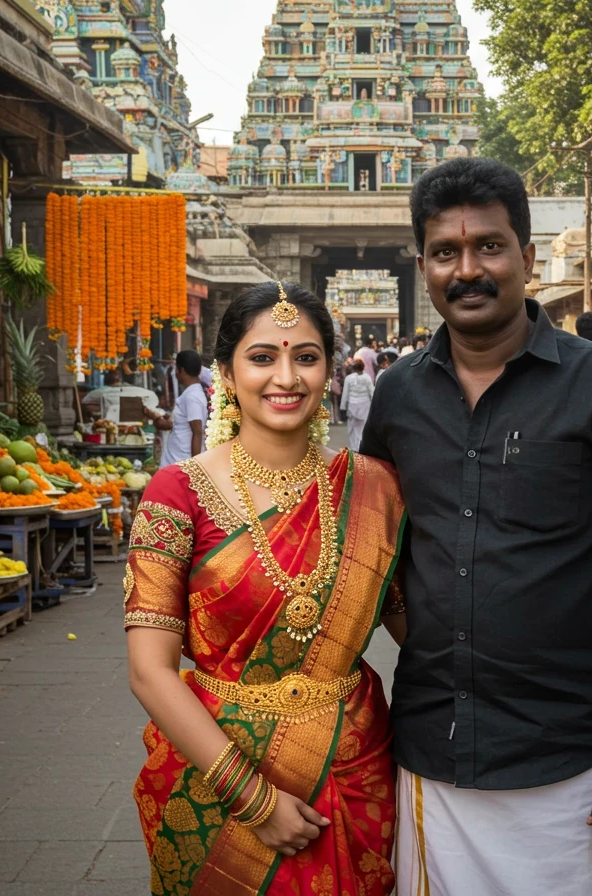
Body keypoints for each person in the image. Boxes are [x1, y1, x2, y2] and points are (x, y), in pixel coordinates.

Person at [361, 157, 592, 895]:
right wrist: (432, 631)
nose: (467, 269)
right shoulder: (398, 396)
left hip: (570, 766)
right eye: (445, 252)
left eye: (489, 246)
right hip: (431, 757)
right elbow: (373, 544)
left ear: (528, 258)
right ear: (423, 266)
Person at [124, 281, 406, 896]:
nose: (287, 376)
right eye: (262, 357)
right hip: (218, 778)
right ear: (225, 372)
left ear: (331, 369)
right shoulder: (176, 493)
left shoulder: (375, 489)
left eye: (306, 356)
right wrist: (253, 800)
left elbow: (425, 632)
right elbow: (150, 672)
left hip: (351, 767)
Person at [148, 350, 208, 468]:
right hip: (176, 463)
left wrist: (195, 470)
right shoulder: (191, 393)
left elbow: (197, 431)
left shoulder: (192, 397)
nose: (175, 373)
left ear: (182, 370)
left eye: (176, 369)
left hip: (181, 464)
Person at [83, 369, 155, 423]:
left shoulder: (128, 390)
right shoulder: (103, 392)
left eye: (117, 373)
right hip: (112, 421)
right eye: (113, 373)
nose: (116, 374)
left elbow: (85, 403)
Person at [340, 357, 375, 451]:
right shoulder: (367, 377)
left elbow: (345, 394)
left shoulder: (348, 378)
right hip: (365, 406)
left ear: (353, 368)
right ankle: (361, 447)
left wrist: (342, 407)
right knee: (363, 427)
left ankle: (354, 447)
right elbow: (372, 391)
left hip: (352, 406)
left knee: (352, 428)